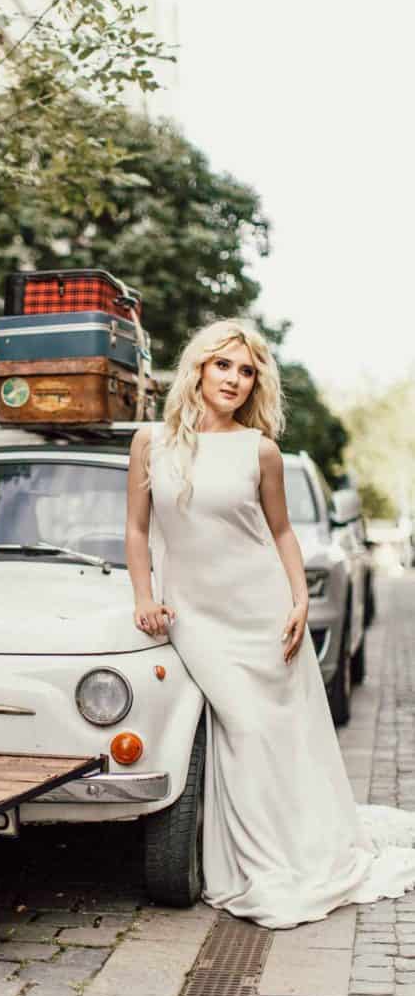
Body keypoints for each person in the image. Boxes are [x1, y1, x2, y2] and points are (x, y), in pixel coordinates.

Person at [125, 317, 415, 930]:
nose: (233, 378)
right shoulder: (150, 443)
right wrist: (144, 598)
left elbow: (282, 533)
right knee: (244, 728)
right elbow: (136, 530)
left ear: (256, 384)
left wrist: (298, 602)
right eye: (223, 365)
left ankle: (284, 855)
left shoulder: (261, 451)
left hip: (261, 612)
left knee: (276, 736)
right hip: (197, 617)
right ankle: (253, 862)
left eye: (246, 370)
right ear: (199, 369)